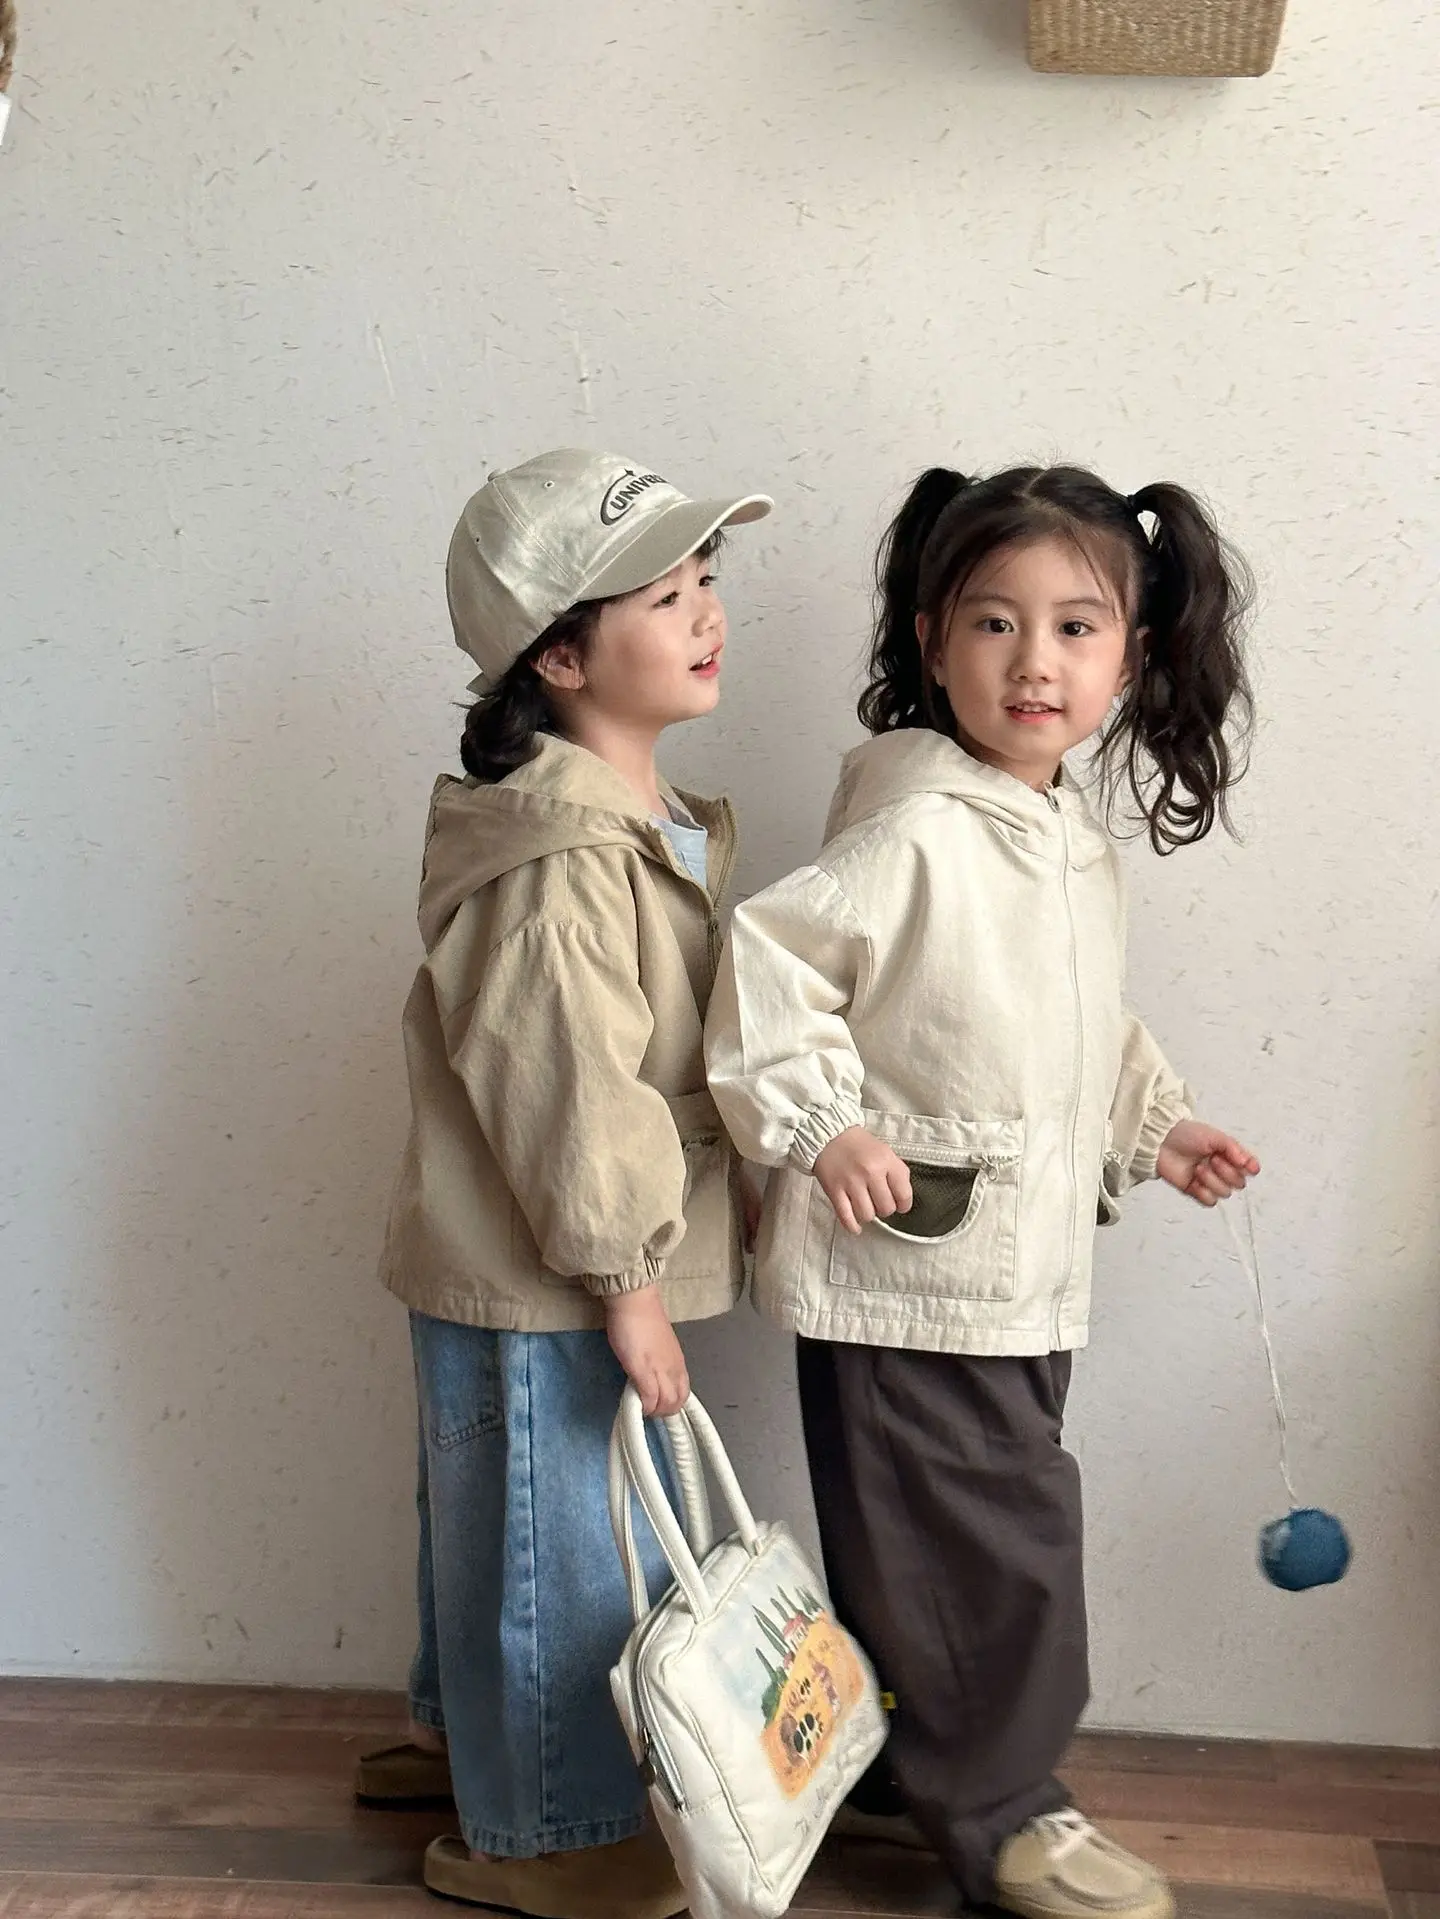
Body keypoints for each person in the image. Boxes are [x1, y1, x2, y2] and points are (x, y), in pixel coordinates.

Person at [705, 464, 1260, 1919]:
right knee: (995, 1554)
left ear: (1132, 654)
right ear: (933, 638)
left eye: (1077, 627)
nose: (1035, 662)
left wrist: (1156, 1128)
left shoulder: (1057, 832)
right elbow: (771, 968)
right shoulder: (919, 827)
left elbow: (1067, 1024)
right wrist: (825, 1125)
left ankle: (906, 1762)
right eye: (995, 623)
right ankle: (1006, 1809)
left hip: (1010, 1269)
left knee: (939, 1544)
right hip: (910, 1266)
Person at [359, 447, 772, 1916]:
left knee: (504, 1512)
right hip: (558, 1270)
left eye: (707, 580)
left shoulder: (632, 824)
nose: (707, 613)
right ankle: (553, 1836)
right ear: (559, 653)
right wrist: (628, 1281)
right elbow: (569, 1092)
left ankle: (462, 1742)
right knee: (565, 1540)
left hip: (547, 1260)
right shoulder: (559, 857)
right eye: (663, 596)